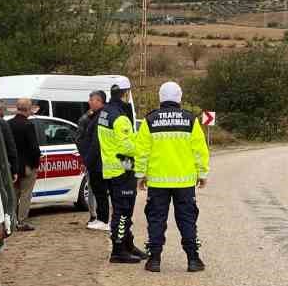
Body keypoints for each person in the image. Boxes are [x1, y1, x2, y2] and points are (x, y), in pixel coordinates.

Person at [134, 80, 209, 272]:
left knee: (156, 220)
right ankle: (193, 259)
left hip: (157, 182)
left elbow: (142, 151)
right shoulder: (190, 120)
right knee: (187, 219)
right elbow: (200, 150)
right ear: (179, 97)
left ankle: (154, 260)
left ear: (160, 98)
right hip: (184, 182)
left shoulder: (150, 120)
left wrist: (140, 175)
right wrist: (202, 173)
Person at [96, 77, 145, 263]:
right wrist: (142, 147)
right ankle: (118, 250)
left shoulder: (105, 112)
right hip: (122, 167)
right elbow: (126, 147)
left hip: (111, 166)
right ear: (125, 93)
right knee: (123, 211)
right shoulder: (120, 117)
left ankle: (127, 244)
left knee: (123, 209)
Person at [76, 89, 109, 231]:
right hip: (95, 161)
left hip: (98, 162)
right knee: (97, 190)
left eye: (91, 100)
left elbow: (96, 142)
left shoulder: (101, 117)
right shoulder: (94, 116)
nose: (89, 102)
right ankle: (100, 218)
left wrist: (87, 161)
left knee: (100, 192)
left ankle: (103, 219)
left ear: (99, 101)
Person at [6, 98, 42, 232]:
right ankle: (22, 221)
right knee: (26, 194)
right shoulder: (28, 125)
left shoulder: (9, 124)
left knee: (14, 194)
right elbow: (34, 148)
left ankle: (11, 220)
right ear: (28, 108)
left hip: (13, 166)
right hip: (27, 166)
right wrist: (36, 164)